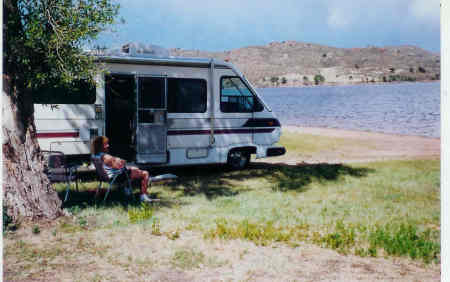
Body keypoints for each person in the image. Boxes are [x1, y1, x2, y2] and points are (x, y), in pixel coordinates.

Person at [91, 136, 154, 202]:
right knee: (145, 173)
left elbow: (113, 165)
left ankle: (127, 190)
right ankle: (143, 196)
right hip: (116, 177)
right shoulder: (106, 157)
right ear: (101, 146)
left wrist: (116, 160)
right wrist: (120, 161)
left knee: (134, 169)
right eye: (106, 144)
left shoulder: (94, 155)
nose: (108, 145)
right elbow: (119, 166)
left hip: (105, 177)